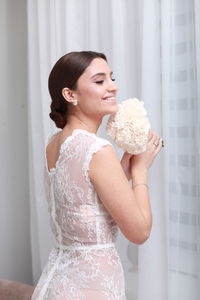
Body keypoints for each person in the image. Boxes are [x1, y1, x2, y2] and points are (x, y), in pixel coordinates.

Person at [31, 51, 162, 300]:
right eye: (100, 81)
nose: (113, 86)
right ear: (70, 95)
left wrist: (122, 164)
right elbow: (139, 232)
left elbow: (87, 203)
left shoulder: (55, 144)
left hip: (58, 282)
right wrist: (140, 170)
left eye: (112, 78)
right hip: (91, 289)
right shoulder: (97, 149)